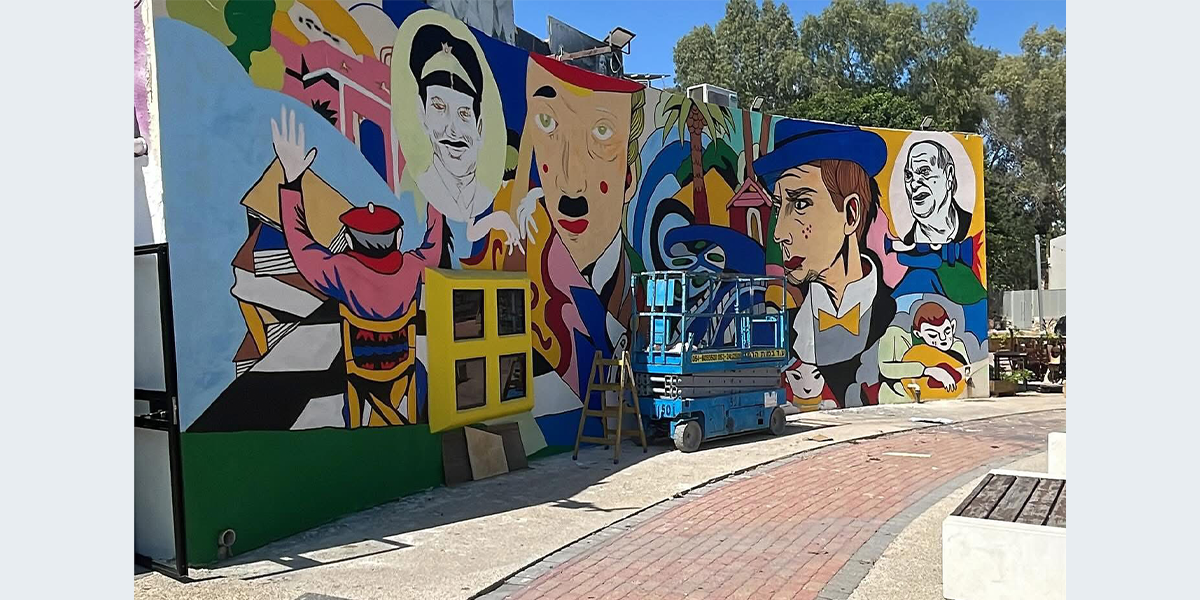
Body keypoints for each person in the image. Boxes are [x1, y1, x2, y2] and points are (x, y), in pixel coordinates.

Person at [272, 107, 444, 427]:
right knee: (420, 372)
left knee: (341, 373)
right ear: (398, 237)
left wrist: (293, 182)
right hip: (400, 365)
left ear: (350, 239)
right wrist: (434, 195)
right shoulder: (412, 267)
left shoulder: (341, 269)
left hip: (360, 369)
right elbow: (433, 246)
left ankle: (358, 422)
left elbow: (300, 244)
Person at [755, 120, 897, 406]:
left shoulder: (899, 317)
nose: (780, 233)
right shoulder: (782, 330)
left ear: (851, 214)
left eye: (800, 204)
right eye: (778, 207)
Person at [876, 301, 969, 403]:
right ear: (918, 334)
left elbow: (967, 374)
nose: (943, 338)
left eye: (947, 331)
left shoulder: (957, 345)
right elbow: (885, 368)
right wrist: (929, 371)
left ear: (953, 327)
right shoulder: (896, 336)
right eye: (933, 335)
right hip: (900, 398)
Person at [900, 140, 972, 245]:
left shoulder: (971, 226)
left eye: (924, 171)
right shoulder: (904, 245)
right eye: (909, 176)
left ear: (949, 175)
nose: (913, 185)